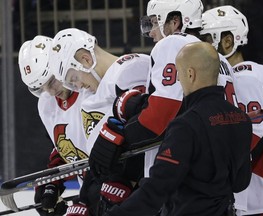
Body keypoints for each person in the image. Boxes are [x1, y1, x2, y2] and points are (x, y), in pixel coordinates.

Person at [89, 0, 238, 184]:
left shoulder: (174, 44)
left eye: (154, 22)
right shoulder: (221, 61)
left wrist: (116, 139)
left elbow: (160, 116)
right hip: (222, 177)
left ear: (175, 21)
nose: (151, 32)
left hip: (186, 179)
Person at [102, 41, 252, 216]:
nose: (178, 79)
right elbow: (240, 182)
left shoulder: (186, 125)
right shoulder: (242, 119)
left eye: (178, 73)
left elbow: (157, 188)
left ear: (190, 74)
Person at [48, 28, 150, 215]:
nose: (77, 87)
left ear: (86, 60)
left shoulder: (129, 70)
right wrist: (86, 198)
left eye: (74, 78)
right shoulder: (90, 96)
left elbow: (150, 128)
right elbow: (99, 157)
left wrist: (122, 181)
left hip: (147, 187)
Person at [200, 5, 263, 216]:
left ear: (228, 41)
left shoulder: (246, 75)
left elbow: (251, 137)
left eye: (206, 39)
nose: (202, 47)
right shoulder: (243, 76)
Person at [18, 35, 94, 215]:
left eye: (52, 81)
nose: (50, 92)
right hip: (91, 192)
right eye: (40, 88)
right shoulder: (46, 103)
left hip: (123, 189)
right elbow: (65, 148)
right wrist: (52, 183)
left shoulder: (91, 89)